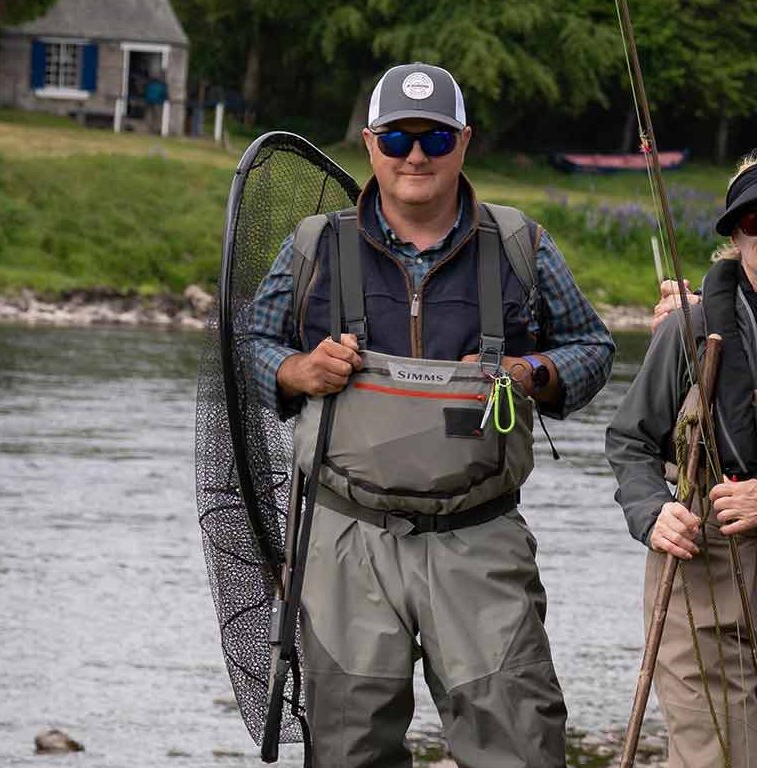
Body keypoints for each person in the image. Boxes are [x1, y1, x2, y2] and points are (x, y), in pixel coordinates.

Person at [249, 62, 614, 768]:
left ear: (464, 143)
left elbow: (593, 349)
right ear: (370, 143)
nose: (416, 154)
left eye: (436, 139)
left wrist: (534, 372)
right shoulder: (313, 246)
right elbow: (250, 347)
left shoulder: (519, 246)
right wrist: (295, 370)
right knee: (348, 750)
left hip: (480, 537)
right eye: (399, 137)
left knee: (519, 743)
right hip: (345, 540)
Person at [606, 152, 757, 767]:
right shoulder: (688, 331)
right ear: (735, 237)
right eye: (756, 222)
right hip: (705, 584)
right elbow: (630, 441)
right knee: (717, 758)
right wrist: (651, 511)